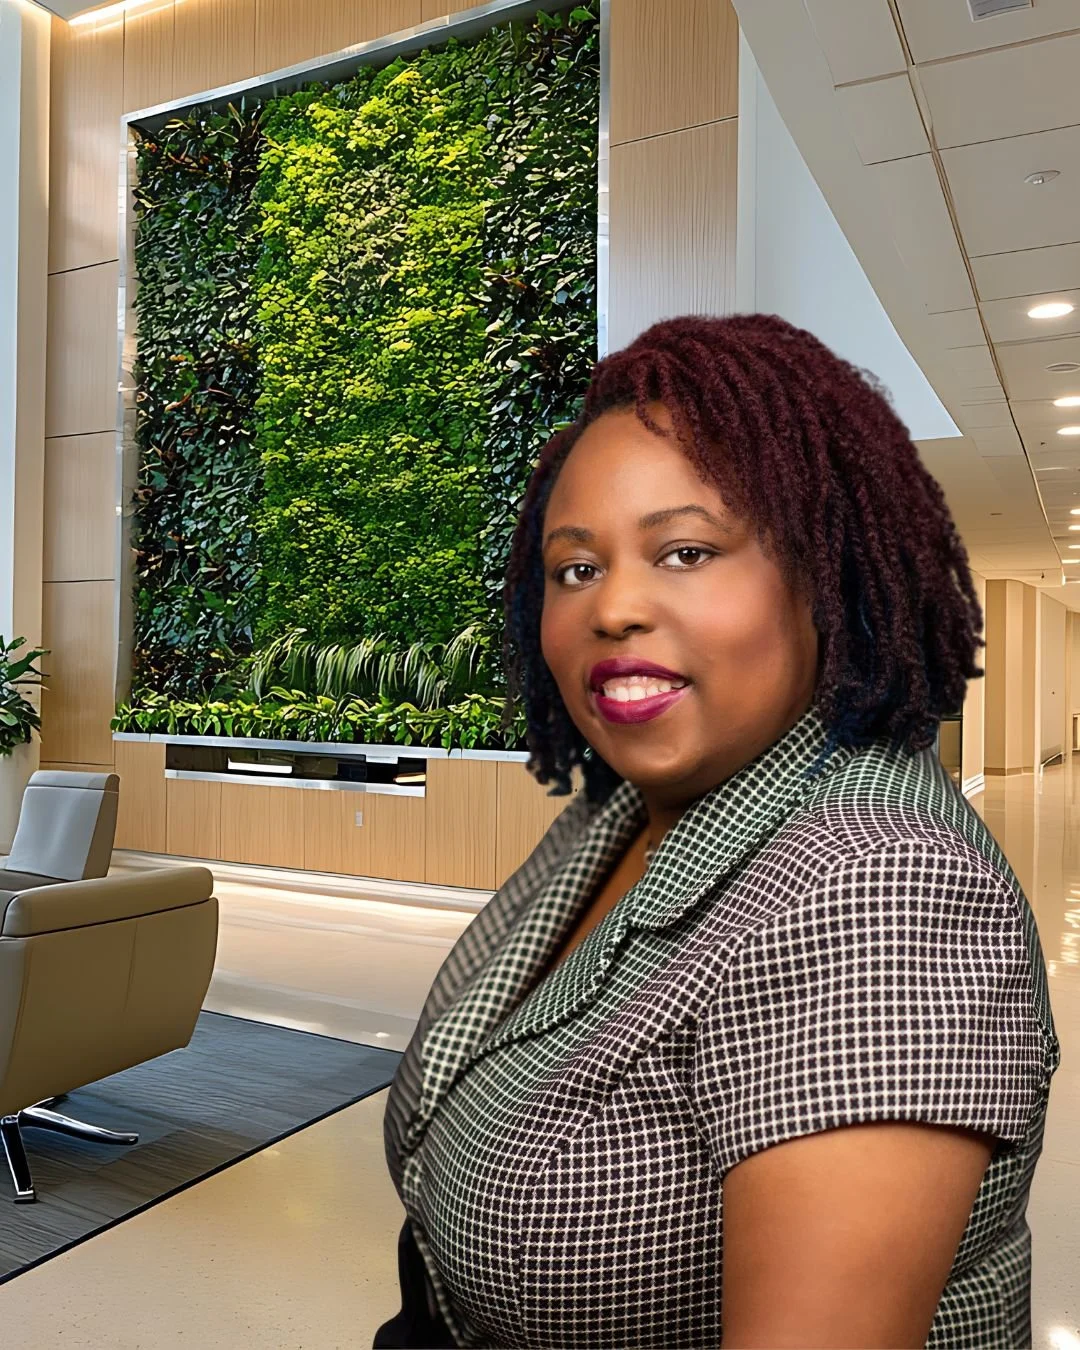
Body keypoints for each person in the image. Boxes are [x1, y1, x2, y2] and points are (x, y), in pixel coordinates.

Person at [373, 313, 1060, 1349]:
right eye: (575, 568)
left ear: (826, 573)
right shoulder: (624, 811)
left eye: (686, 551)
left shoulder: (882, 891)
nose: (614, 609)